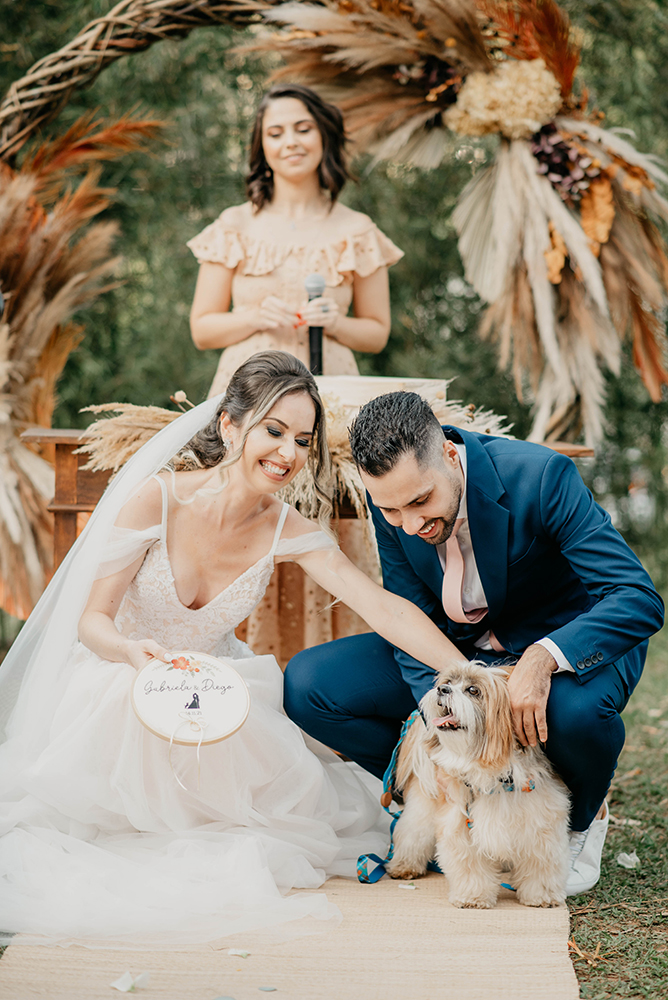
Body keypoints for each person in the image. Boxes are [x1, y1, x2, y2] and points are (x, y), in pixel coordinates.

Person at [0, 354, 465, 947]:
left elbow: (380, 606)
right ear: (228, 425)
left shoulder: (285, 526)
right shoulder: (156, 500)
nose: (288, 453)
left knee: (284, 828)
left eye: (302, 439)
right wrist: (129, 652)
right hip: (120, 678)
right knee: (98, 832)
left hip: (213, 698)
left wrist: (463, 669)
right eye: (273, 431)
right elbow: (92, 620)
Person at [284, 391, 664, 896]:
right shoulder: (395, 501)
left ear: (445, 452)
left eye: (421, 502)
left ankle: (577, 811)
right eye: (392, 511)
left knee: (572, 716)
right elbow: (409, 616)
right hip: (460, 656)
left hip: (562, 648)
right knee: (311, 685)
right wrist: (436, 713)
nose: (411, 525)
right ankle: (454, 793)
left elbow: (636, 597)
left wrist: (545, 657)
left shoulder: (541, 476)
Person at [187, 83, 403, 663]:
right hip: (250, 403)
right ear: (261, 145)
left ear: (324, 136)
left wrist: (337, 322)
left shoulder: (355, 229)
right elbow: (203, 328)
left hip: (328, 403)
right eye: (275, 132)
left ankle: (327, 681)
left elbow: (377, 332)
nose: (289, 142)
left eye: (302, 128)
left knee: (329, 531)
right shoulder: (234, 224)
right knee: (243, 520)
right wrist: (254, 314)